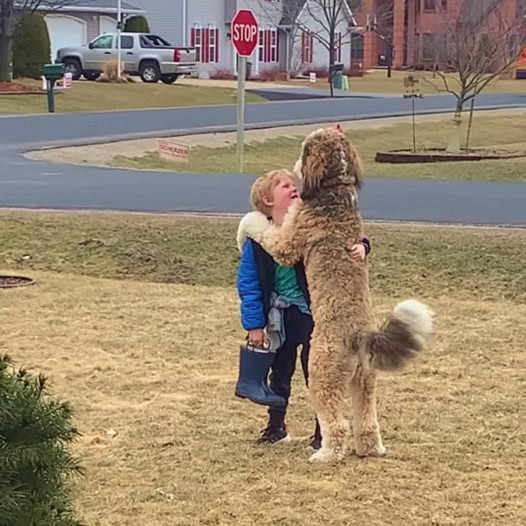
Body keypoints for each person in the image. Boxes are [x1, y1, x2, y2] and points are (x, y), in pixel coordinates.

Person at [235, 169, 370, 447]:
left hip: (311, 313)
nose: (293, 188)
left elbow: (341, 234)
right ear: (267, 200)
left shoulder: (309, 226)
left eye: (293, 184)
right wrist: (255, 325)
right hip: (278, 315)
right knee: (279, 372)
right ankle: (276, 425)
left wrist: (363, 246)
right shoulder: (258, 240)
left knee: (317, 374)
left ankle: (323, 432)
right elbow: (248, 283)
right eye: (285, 186)